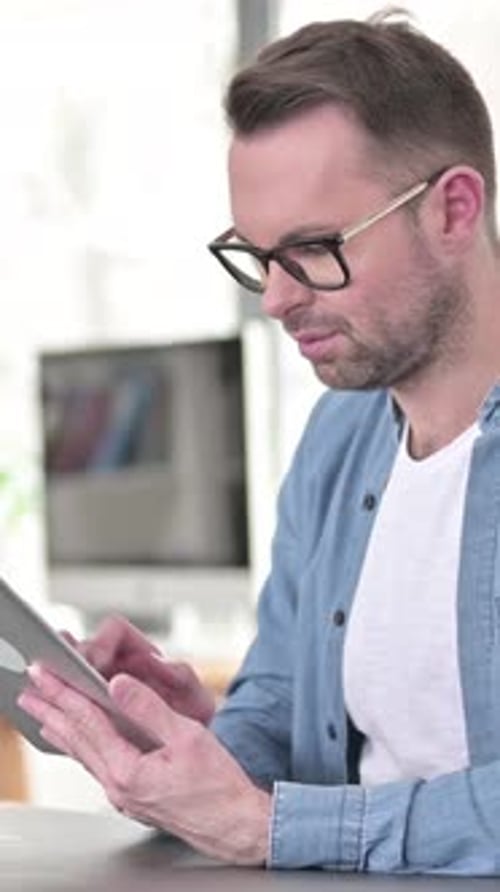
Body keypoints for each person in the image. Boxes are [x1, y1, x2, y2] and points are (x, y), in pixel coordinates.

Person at [17, 9, 500, 873]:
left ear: (453, 211)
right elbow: (279, 696)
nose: (276, 299)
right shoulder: (340, 436)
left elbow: (287, 823)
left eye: (313, 249)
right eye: (258, 256)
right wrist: (189, 748)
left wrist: (274, 827)